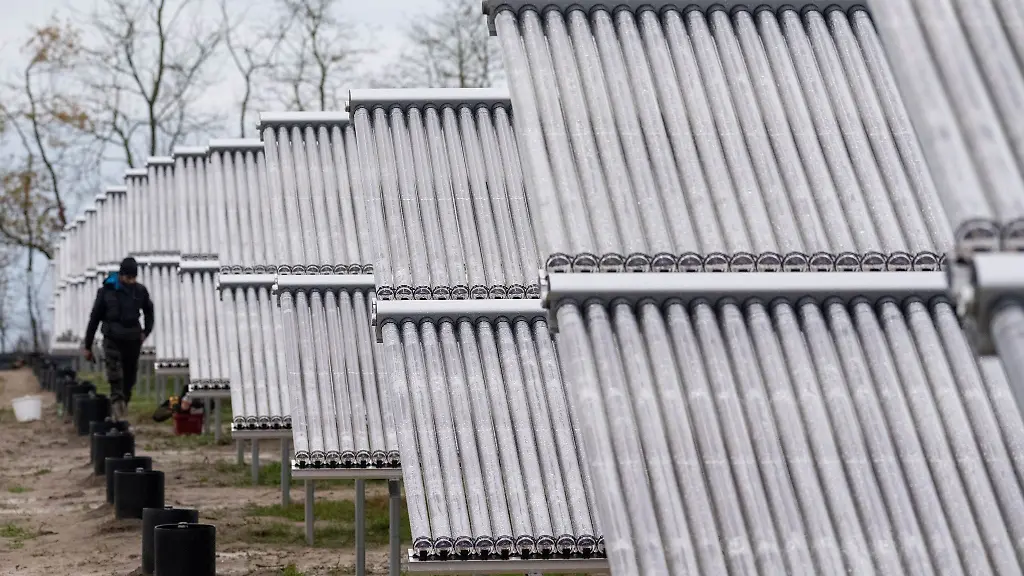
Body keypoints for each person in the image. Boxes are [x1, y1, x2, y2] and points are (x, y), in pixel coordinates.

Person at [83, 257, 154, 421]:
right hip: (112, 338)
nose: (131, 281)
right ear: (121, 275)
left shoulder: (140, 291)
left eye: (134, 278)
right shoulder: (106, 292)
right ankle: (117, 408)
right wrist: (88, 345)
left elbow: (150, 311)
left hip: (133, 340)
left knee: (129, 378)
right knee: (115, 375)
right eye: (128, 277)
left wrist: (146, 331)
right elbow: (94, 319)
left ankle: (123, 405)